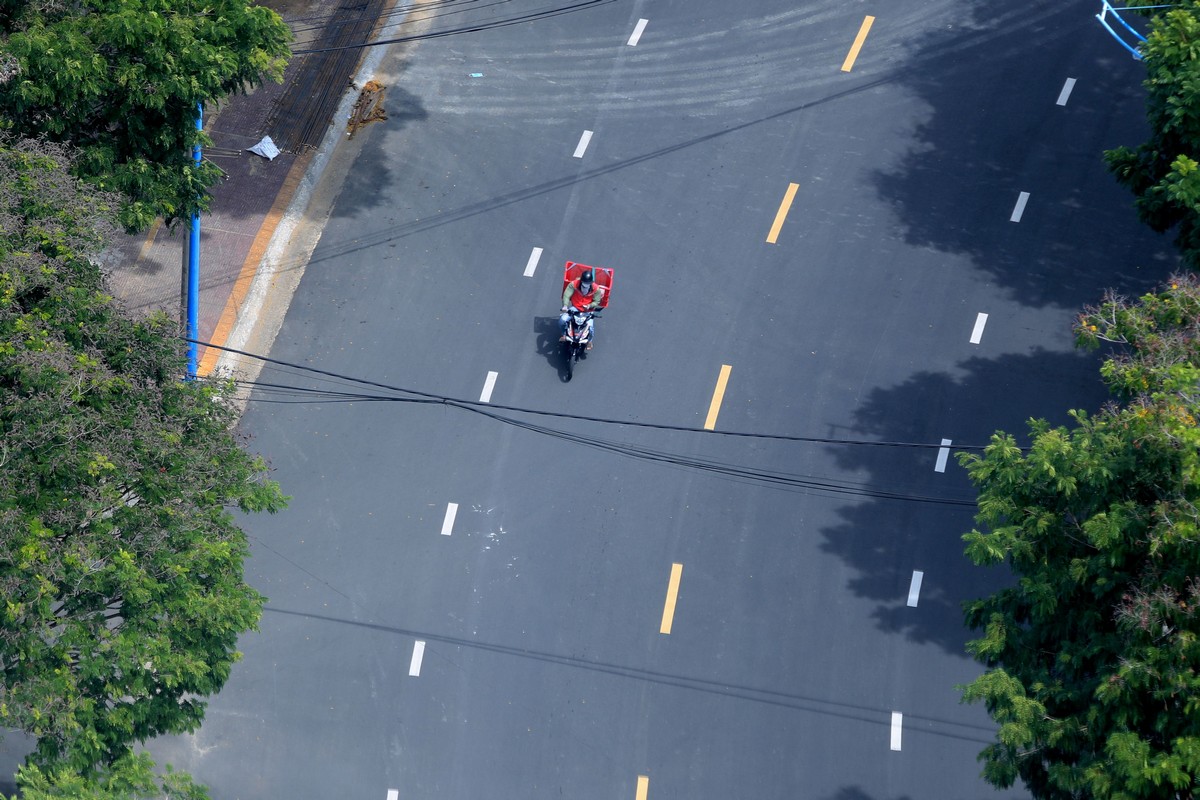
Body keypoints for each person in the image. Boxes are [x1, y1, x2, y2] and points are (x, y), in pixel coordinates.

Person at [560, 269, 605, 348]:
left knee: (590, 327)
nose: (585, 285)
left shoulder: (596, 289)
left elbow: (597, 301)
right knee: (562, 320)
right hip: (575, 308)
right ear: (581, 281)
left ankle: (590, 341)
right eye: (584, 283)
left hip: (588, 311)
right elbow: (566, 295)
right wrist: (565, 306)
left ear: (591, 283)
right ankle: (563, 335)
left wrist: (589, 306)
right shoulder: (574, 284)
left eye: (588, 283)